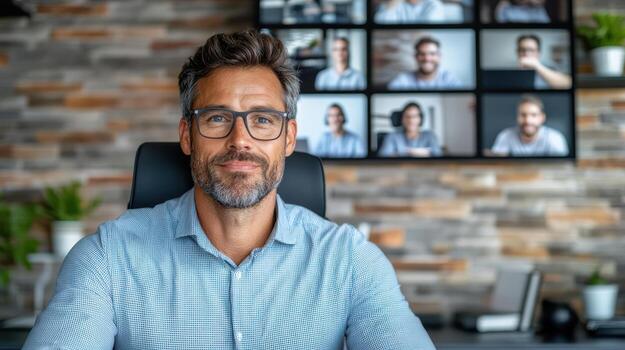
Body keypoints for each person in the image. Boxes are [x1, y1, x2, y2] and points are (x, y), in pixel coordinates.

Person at [24, 31, 435, 349]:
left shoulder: (350, 261)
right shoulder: (108, 257)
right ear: (187, 135)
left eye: (262, 120)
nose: (241, 140)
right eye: (218, 118)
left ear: (288, 138)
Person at [490, 95, 568, 156]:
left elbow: (562, 169)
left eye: (533, 115)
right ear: (517, 117)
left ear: (542, 118)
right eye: (523, 115)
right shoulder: (506, 135)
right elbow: (497, 163)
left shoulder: (555, 138)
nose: (528, 121)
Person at [388, 36, 462, 90]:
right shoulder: (403, 80)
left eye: (432, 54)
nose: (427, 58)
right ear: (415, 57)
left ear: (439, 57)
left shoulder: (449, 78)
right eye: (422, 54)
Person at [375, 0, 445, 23]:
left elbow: (428, 27)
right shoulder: (393, 3)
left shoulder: (434, 4)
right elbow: (381, 22)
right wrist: (391, 5)